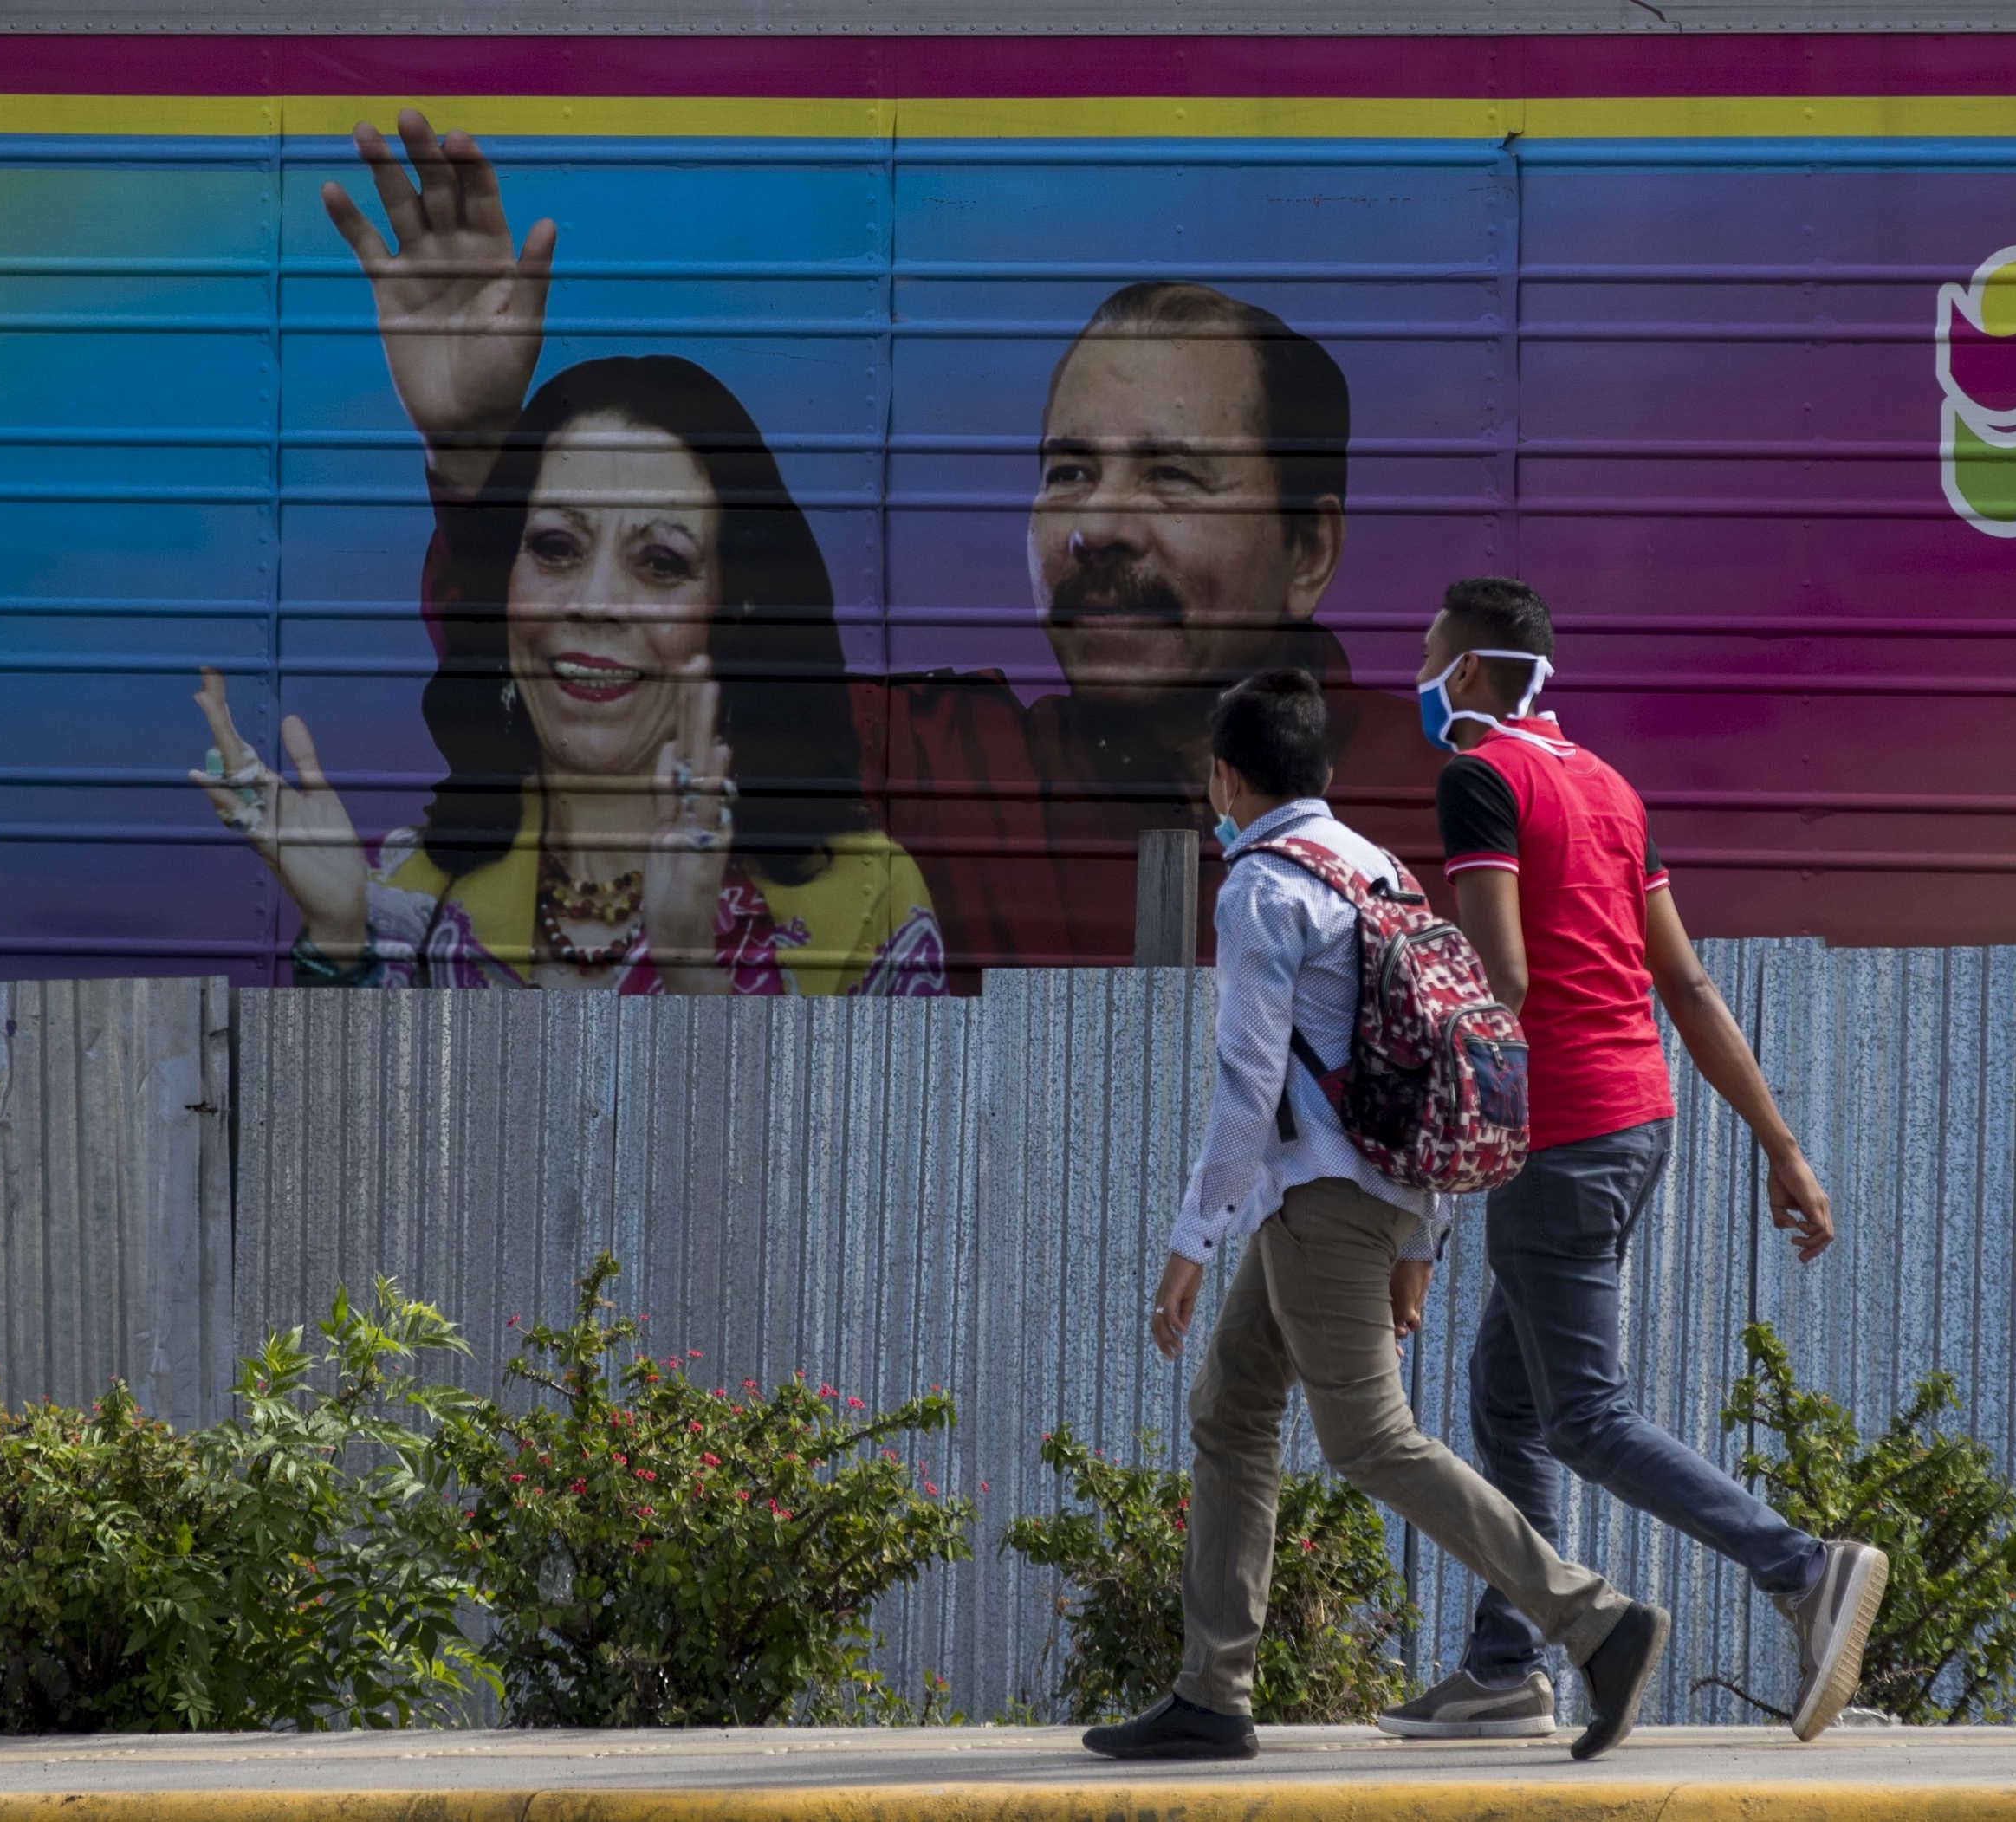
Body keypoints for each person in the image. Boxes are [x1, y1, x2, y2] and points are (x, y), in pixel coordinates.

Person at [191, 113, 943, 996]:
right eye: (554, 547)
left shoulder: (869, 901)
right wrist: (340, 936)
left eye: (660, 563)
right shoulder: (413, 897)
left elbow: (843, 1140)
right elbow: (354, 1134)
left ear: (733, 611)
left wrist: (694, 963)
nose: (593, 601)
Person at [1082, 668, 1669, 1766]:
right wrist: (1421, 1232)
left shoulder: (1262, 885)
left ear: (1225, 775)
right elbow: (1436, 1055)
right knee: (1231, 1409)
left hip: (1315, 1203)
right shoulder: (1376, 868)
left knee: (1374, 1442)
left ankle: (1596, 1620)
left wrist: (1187, 1245)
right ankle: (1212, 1691)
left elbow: (1249, 1084)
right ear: (1326, 772)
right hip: (1359, 1198)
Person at [1381, 577, 1886, 1744]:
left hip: (1554, 1134)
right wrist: (1782, 1146)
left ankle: (1801, 1567)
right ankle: (1507, 1662)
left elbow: (1497, 982)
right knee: (1506, 1393)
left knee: (1586, 1416)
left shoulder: (1477, 778)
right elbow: (1688, 984)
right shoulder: (1607, 785)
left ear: (1464, 673)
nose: (1415, 669)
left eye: (1425, 651)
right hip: (1634, 1120)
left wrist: (1425, 1191)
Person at [885, 282, 1435, 976]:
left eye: (1171, 474)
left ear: (1307, 552)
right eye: (1069, 472)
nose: (1097, 527)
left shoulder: (1434, 807)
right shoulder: (947, 777)